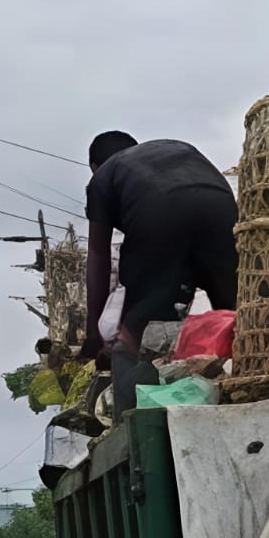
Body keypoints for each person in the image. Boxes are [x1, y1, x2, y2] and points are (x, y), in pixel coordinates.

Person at [79, 131, 237, 412]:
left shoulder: (103, 178)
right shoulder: (173, 149)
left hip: (161, 219)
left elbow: (99, 255)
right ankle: (255, 393)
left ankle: (133, 427)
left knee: (134, 337)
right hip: (223, 210)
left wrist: (93, 335)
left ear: (94, 167)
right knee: (241, 320)